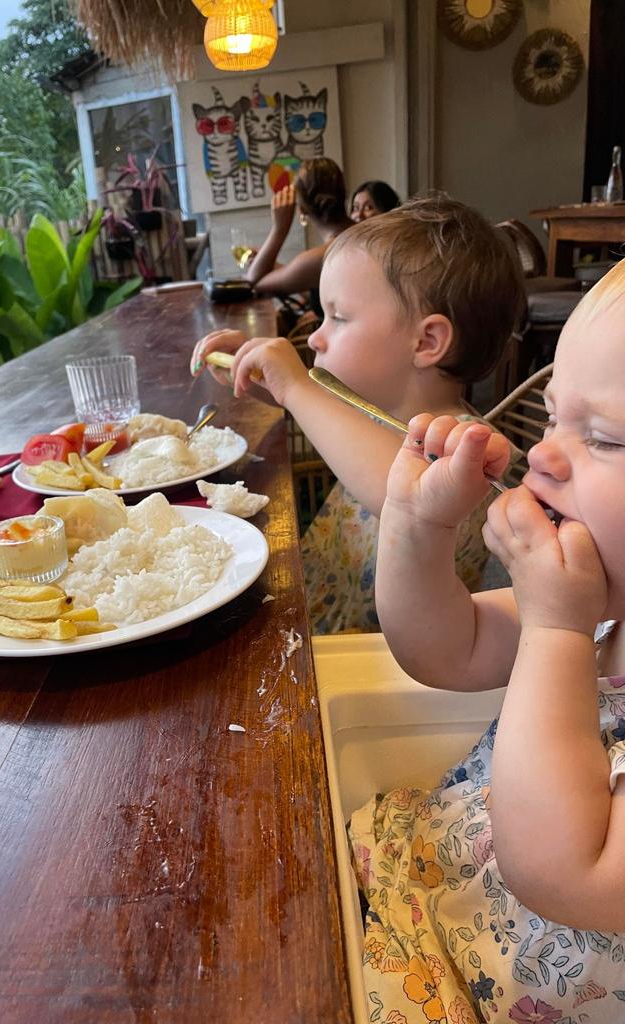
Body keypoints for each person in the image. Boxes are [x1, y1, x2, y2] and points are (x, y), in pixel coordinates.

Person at [352, 258, 625, 1022]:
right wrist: (419, 526)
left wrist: (557, 628)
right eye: (553, 418)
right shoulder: (606, 600)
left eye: (605, 439)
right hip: (431, 901)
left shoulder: (573, 613)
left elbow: (565, 872)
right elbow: (447, 647)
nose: (542, 453)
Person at [191, 194, 525, 633]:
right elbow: (332, 416)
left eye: (339, 318)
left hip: (372, 660)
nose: (315, 339)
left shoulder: (465, 450)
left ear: (425, 344)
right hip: (312, 614)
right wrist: (263, 377)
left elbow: (404, 492)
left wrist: (294, 386)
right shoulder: (376, 406)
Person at [243, 157, 353, 319]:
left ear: (300, 209)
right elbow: (302, 275)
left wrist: (279, 229)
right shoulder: (360, 233)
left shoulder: (322, 256)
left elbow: (253, 283)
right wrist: (270, 263)